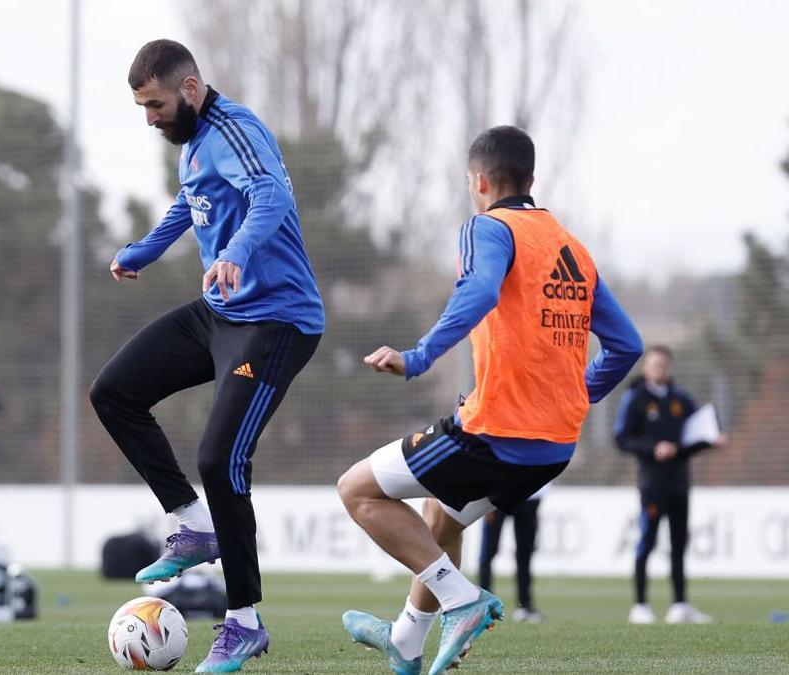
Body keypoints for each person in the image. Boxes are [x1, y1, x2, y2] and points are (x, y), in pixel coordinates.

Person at [335, 126, 643, 675]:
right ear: (531, 178)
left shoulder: (489, 227)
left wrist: (418, 356)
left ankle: (462, 602)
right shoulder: (571, 246)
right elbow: (627, 346)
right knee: (441, 518)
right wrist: (572, 395)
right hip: (553, 448)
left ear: (478, 181)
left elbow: (477, 292)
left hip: (496, 432)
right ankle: (406, 642)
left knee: (356, 490)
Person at [89, 39, 324, 672]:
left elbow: (271, 196)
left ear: (189, 90)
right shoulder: (191, 143)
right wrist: (142, 249)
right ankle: (191, 523)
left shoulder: (236, 128)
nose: (150, 118)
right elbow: (190, 207)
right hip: (220, 314)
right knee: (112, 392)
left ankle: (244, 622)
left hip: (277, 322)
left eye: (156, 104)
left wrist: (236, 255)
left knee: (220, 456)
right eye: (142, 107)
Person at [615, 345, 723, 625]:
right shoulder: (636, 398)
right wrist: (654, 448)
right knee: (647, 541)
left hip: (680, 483)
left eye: (664, 365)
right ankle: (640, 605)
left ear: (670, 367)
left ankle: (680, 604)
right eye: (655, 365)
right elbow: (623, 439)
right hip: (652, 483)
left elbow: (692, 438)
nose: (660, 370)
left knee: (678, 544)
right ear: (647, 368)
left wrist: (710, 440)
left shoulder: (680, 399)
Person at [477, 484, 549, 623]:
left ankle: (525, 606)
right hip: (497, 493)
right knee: (489, 551)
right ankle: (484, 607)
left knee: (524, 553)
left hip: (530, 495)